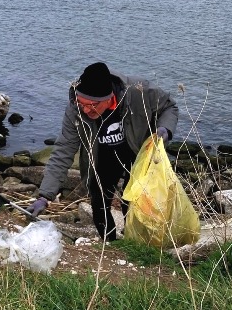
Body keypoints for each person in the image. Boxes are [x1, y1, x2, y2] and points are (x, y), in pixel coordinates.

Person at [29, 62, 178, 242]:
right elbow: (63, 150)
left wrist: (165, 129)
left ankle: (134, 242)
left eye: (92, 105)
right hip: (103, 155)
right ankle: (109, 243)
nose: (85, 109)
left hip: (136, 152)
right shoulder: (76, 109)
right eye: (82, 103)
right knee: (98, 201)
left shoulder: (138, 92)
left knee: (132, 201)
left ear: (109, 98)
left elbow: (169, 106)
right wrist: (45, 195)